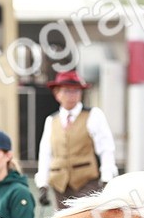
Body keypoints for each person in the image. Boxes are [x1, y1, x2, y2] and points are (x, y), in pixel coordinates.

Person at [35, 70, 117, 210]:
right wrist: (43, 183)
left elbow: (106, 148)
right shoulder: (51, 120)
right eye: (67, 91)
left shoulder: (93, 115)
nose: (72, 95)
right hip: (60, 183)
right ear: (57, 93)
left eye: (76, 91)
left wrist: (106, 178)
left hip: (86, 180)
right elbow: (46, 153)